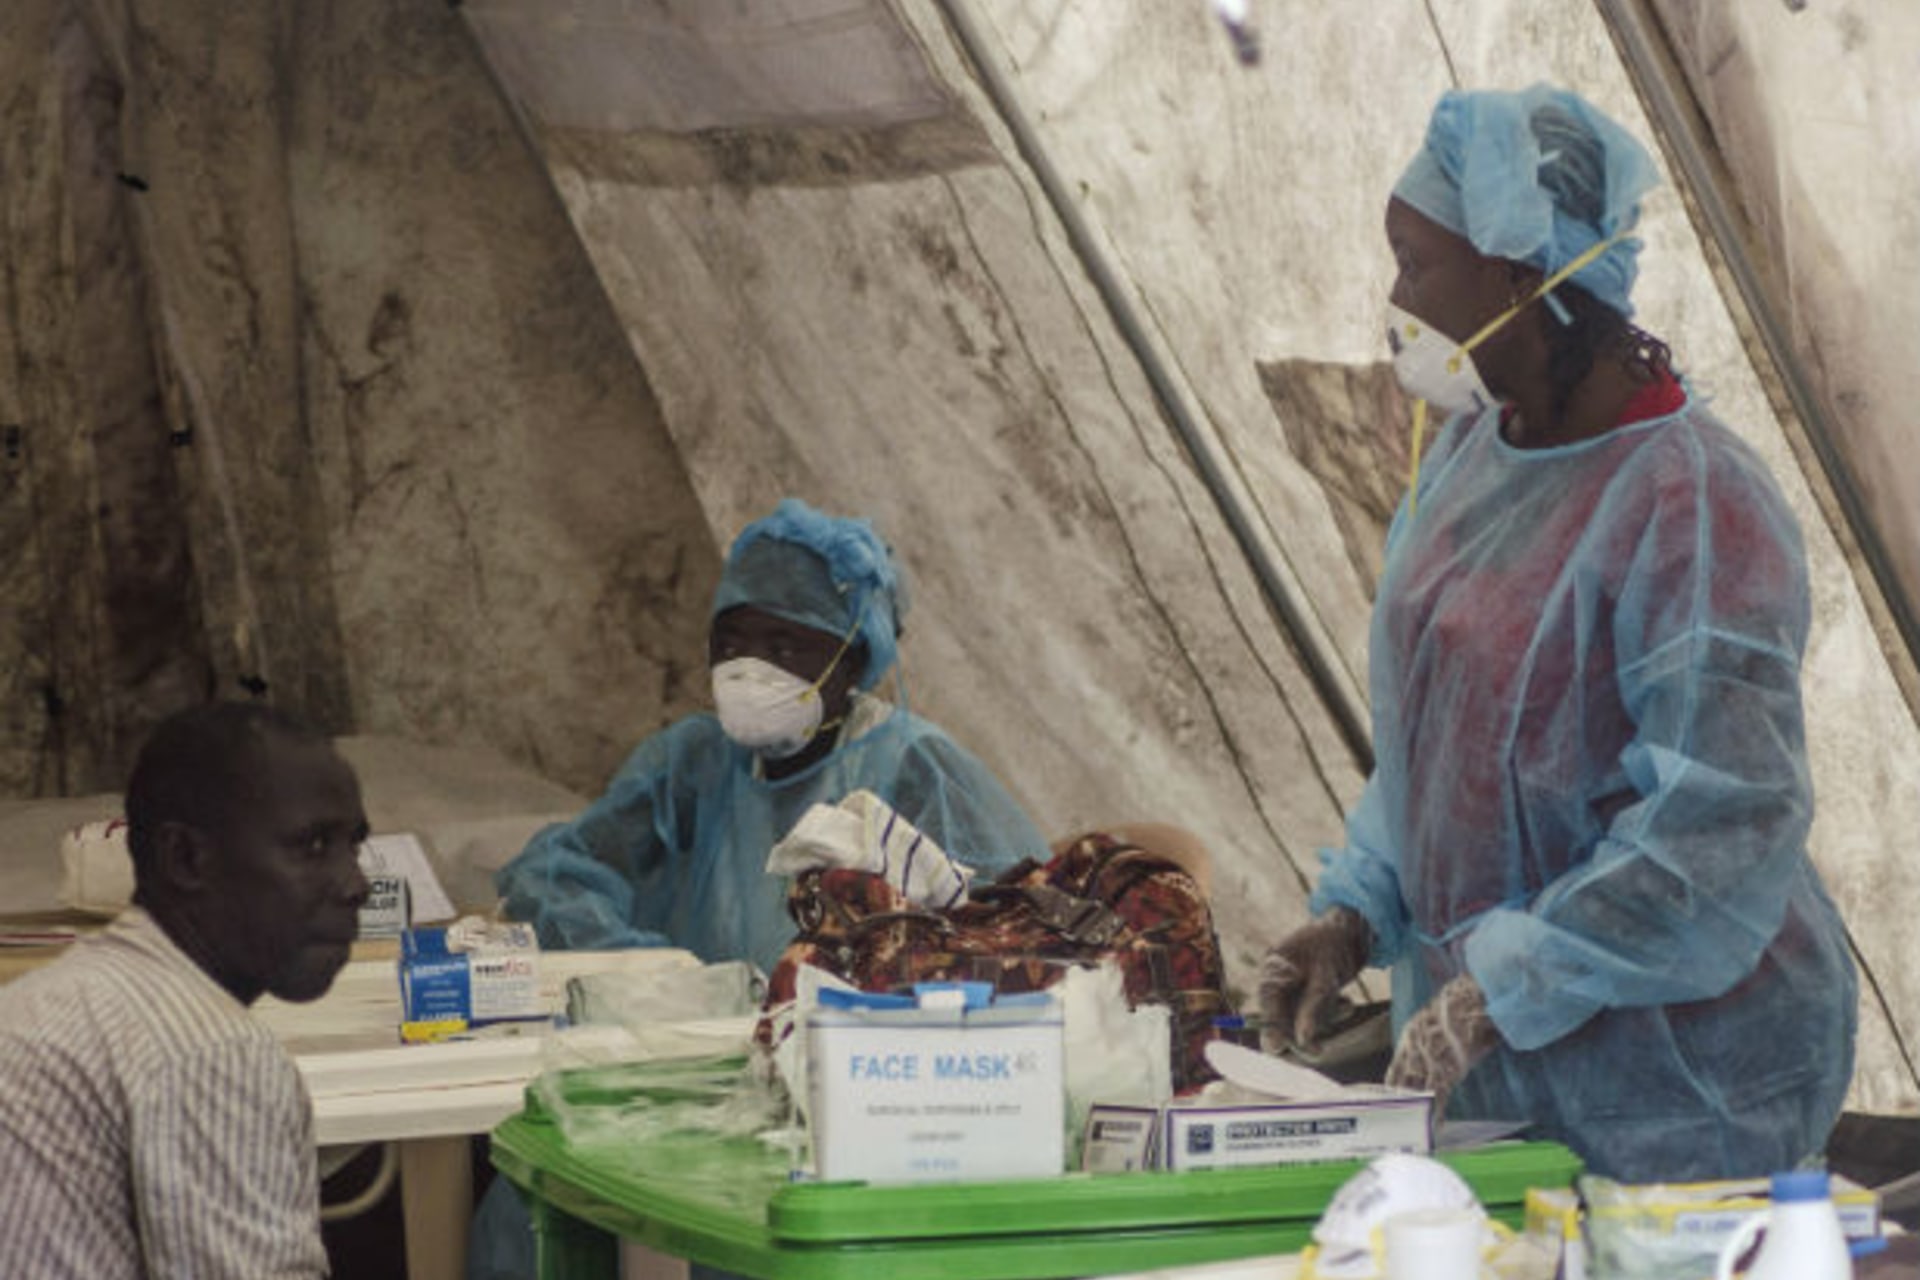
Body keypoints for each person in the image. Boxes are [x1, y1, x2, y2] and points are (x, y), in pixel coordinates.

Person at [1258, 84, 1856, 1182]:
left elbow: (1716, 824)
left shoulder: (1694, 504)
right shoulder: (1469, 456)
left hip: (1681, 1087)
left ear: (1518, 276)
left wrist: (1509, 983)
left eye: (1416, 258)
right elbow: (1435, 746)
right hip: (1499, 1081)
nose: (1397, 292)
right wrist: (1356, 906)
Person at [495, 497, 1051, 975]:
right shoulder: (696, 761)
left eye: (786, 649)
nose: (751, 667)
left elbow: (1016, 931)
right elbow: (557, 876)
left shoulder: (911, 764)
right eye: (733, 642)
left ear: (853, 663)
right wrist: (650, 971)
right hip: (711, 1042)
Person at [0, 701, 371, 1278]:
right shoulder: (210, 1053)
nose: (357, 884)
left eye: (356, 844)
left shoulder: (55, 1000)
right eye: (314, 846)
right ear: (186, 859)